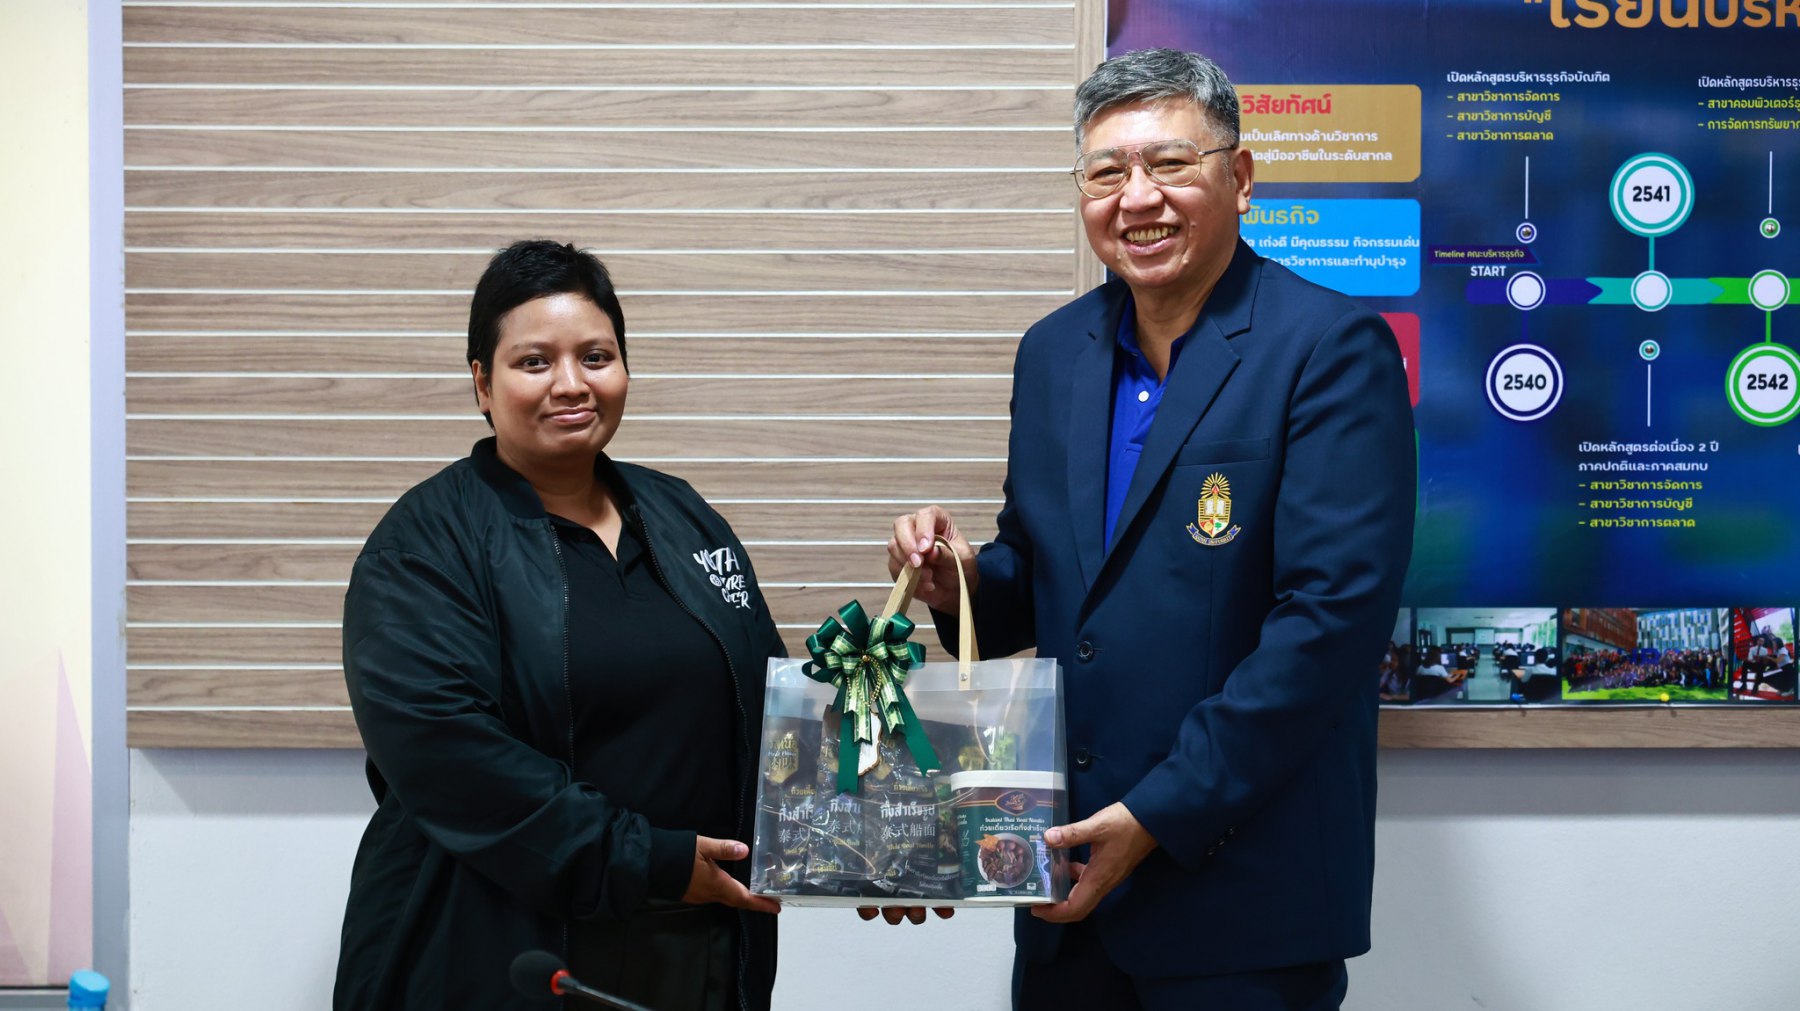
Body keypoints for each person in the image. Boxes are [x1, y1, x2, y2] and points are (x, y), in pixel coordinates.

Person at [887, 49, 1415, 1009]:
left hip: (1244, 901)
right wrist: (956, 577)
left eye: (1170, 163)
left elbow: (1329, 625)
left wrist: (1155, 814)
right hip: (1066, 890)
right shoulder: (1054, 353)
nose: (1138, 198)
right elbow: (1046, 581)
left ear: (1240, 177)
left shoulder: (1329, 348)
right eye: (1106, 173)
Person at [334, 241, 782, 1010]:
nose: (571, 384)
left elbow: (773, 712)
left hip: (695, 946)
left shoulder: (684, 516)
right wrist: (648, 857)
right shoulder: (423, 545)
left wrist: (874, 851)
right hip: (499, 954)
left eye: (596, 356)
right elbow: (455, 761)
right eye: (535, 362)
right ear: (483, 382)